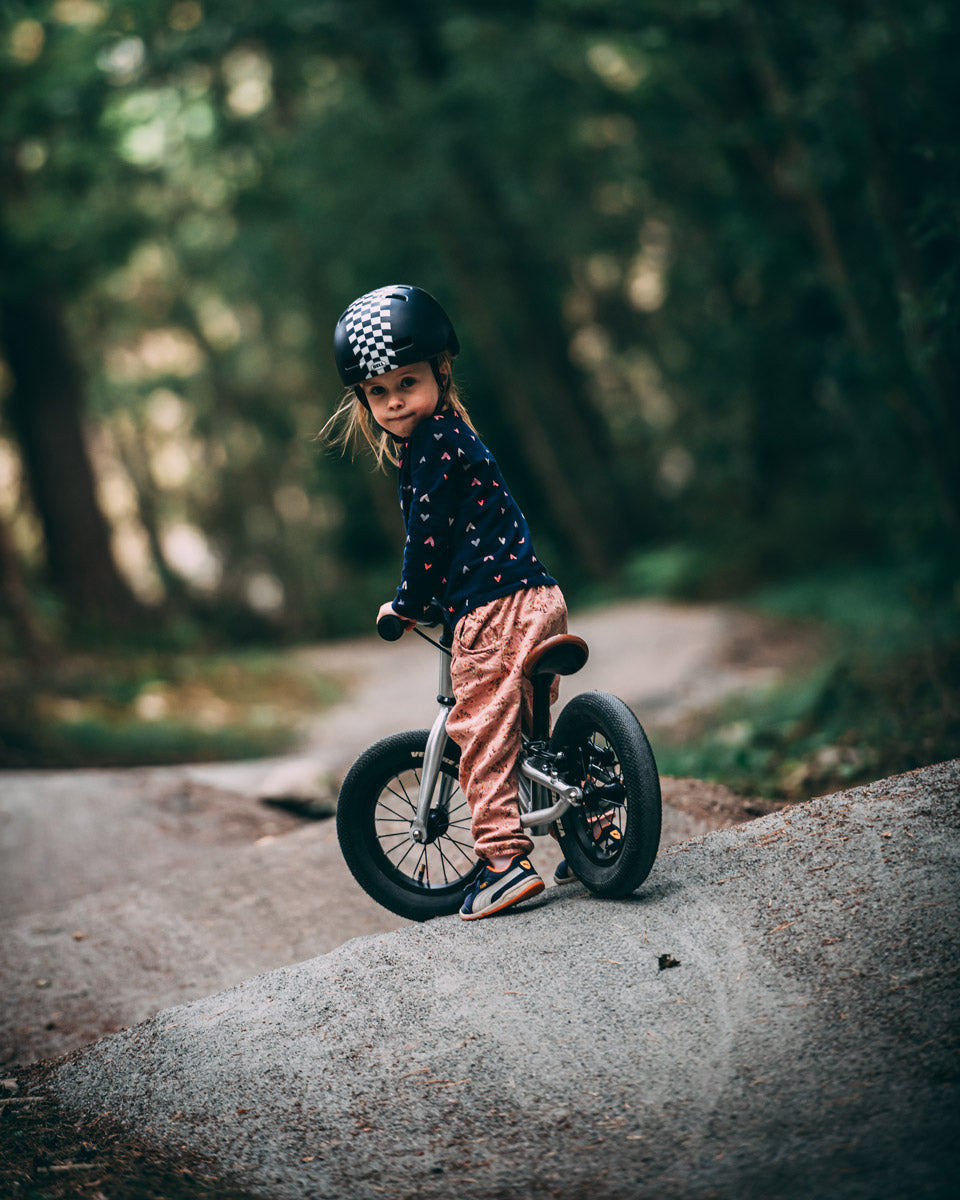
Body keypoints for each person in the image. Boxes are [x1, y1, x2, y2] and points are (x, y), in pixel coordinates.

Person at [326, 283, 568, 919]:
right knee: (536, 731)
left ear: (440, 371)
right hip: (538, 595)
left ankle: (502, 862)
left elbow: (428, 539)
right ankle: (590, 831)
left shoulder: (430, 445)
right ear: (362, 399)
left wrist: (407, 603)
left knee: (482, 734)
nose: (393, 400)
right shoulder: (459, 434)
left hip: (488, 612)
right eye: (377, 391)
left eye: (406, 381)